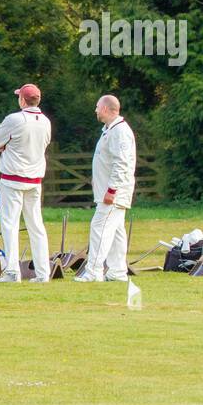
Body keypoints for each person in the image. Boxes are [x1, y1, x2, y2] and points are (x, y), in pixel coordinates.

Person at [0, 83, 52, 282]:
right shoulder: (46, 121)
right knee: (36, 225)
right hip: (34, 179)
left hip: (13, 179)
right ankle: (43, 273)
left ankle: (12, 272)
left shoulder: (15, 119)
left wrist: (5, 147)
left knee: (10, 224)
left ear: (23, 100)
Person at [77, 94, 137, 282]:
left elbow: (122, 163)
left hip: (113, 193)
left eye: (97, 106)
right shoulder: (109, 130)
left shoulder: (120, 131)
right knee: (116, 231)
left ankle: (94, 271)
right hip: (108, 191)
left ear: (105, 108)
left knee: (99, 227)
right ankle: (118, 271)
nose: (95, 110)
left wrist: (112, 190)